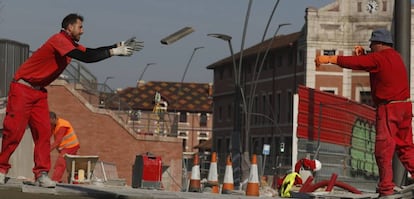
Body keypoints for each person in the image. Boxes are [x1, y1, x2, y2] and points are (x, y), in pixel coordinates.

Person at [0, 13, 143, 188]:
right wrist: (113, 52)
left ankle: (41, 174)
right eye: (80, 27)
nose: (82, 31)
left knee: (44, 133)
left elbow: (89, 52)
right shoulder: (58, 40)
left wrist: (115, 47)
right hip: (23, 88)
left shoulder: (69, 44)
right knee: (14, 131)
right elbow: (86, 58)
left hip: (38, 92)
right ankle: (1, 169)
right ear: (69, 27)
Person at [315, 28, 414, 198]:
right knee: (406, 147)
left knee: (383, 150)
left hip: (388, 109)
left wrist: (331, 59)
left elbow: (357, 63)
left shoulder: (378, 58)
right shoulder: (395, 57)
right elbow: (373, 65)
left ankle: (386, 189)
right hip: (405, 107)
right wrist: (364, 55)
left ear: (379, 44)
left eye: (372, 44)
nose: (370, 46)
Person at [49, 112, 80, 183]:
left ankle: (55, 180)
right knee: (72, 164)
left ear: (53, 119)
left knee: (61, 162)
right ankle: (76, 181)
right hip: (69, 147)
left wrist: (47, 151)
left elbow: (57, 141)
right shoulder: (54, 125)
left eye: (49, 121)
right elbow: (49, 135)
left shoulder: (62, 125)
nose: (48, 123)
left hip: (71, 146)